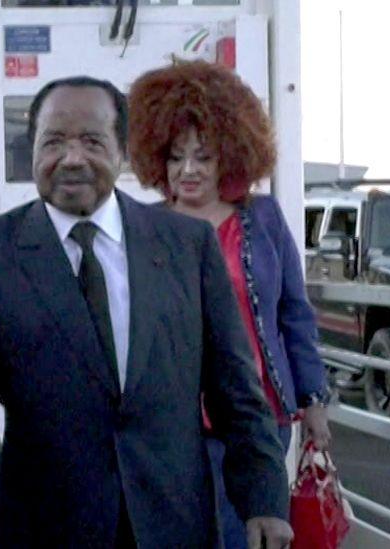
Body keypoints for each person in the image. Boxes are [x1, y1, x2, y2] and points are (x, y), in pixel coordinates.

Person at [0, 75, 293, 548]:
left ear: (123, 153)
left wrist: (264, 501)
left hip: (173, 522)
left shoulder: (186, 245)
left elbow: (235, 387)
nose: (72, 158)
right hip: (47, 525)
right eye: (54, 141)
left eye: (92, 141)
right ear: (32, 149)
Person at [127, 59, 332, 549]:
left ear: (231, 158)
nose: (189, 170)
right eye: (176, 157)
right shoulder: (142, 228)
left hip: (256, 419)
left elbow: (294, 315)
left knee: (249, 536)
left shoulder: (262, 219)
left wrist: (314, 401)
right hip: (173, 425)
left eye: (204, 156)